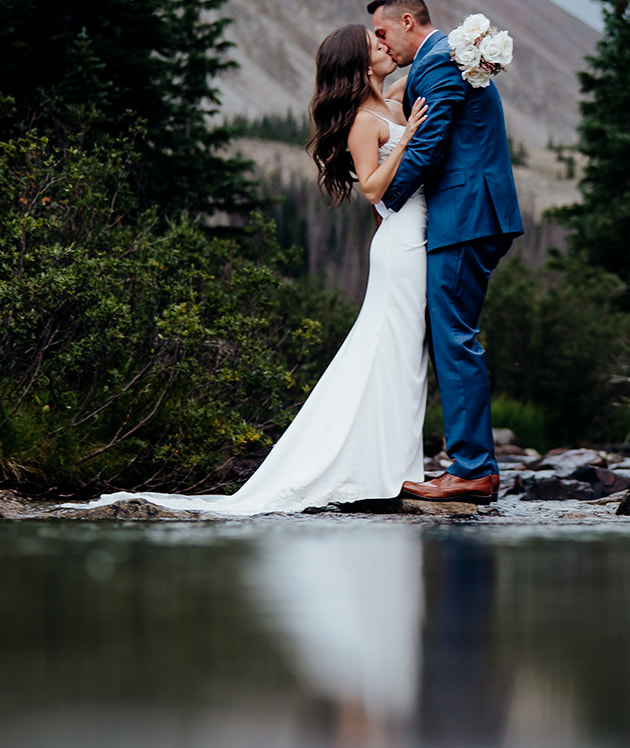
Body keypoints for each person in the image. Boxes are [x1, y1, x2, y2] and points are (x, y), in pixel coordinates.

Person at [67, 25, 430, 514]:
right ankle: (378, 470)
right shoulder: (366, 120)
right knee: (393, 349)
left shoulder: (390, 100)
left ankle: (393, 466)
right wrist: (408, 141)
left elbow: (428, 66)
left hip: (410, 237)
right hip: (398, 246)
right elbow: (370, 190)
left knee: (400, 354)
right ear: (360, 63)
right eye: (375, 43)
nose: (386, 46)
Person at [369, 0, 524, 504]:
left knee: (453, 335)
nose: (382, 44)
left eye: (383, 33)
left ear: (408, 21)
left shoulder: (437, 62)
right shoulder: (444, 58)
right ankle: (469, 461)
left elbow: (429, 147)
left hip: (466, 215)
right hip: (473, 213)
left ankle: (473, 468)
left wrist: (385, 202)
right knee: (451, 333)